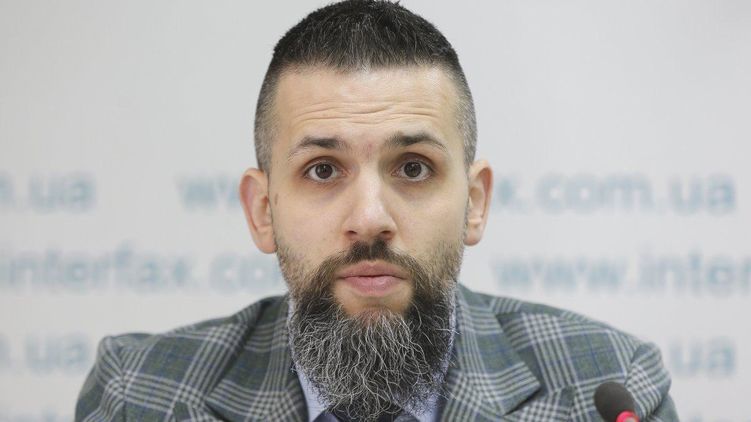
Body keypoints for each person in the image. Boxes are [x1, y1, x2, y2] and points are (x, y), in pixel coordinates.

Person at [75, 1, 677, 421]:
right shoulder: (143, 396)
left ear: (474, 203)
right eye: (322, 170)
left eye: (413, 168)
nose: (369, 218)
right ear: (262, 211)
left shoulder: (605, 388)